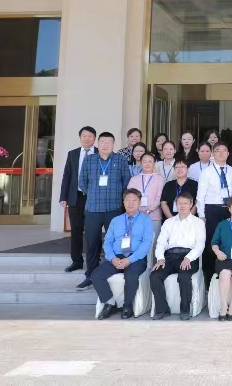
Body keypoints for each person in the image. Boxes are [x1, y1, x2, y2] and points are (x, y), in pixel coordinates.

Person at [77, 132, 131, 291]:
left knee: (115, 243)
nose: (105, 145)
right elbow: (82, 182)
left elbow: (126, 181)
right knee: (92, 243)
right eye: (102, 142)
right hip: (93, 208)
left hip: (113, 209)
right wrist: (93, 194)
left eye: (109, 142)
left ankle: (111, 274)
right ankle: (90, 276)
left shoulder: (120, 160)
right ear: (98, 143)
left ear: (113, 144)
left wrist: (116, 195)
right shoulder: (90, 159)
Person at [92, 188, 153, 320]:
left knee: (130, 275)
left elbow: (146, 244)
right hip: (117, 257)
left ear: (139, 202)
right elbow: (107, 242)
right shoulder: (116, 220)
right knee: (96, 275)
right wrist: (112, 258)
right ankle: (109, 303)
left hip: (136, 258)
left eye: (134, 200)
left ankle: (127, 306)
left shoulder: (146, 220)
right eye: (127, 200)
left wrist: (130, 260)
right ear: (123, 202)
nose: (130, 203)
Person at [150, 191, 206, 321]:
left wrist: (188, 258)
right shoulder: (168, 222)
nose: (182, 206)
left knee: (184, 276)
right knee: (155, 275)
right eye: (180, 203)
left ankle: (185, 310)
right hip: (169, 257)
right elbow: (161, 243)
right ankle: (162, 309)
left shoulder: (198, 223)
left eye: (185, 203)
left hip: (189, 256)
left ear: (191, 205)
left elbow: (200, 245)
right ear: (176, 204)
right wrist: (160, 259)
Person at [197, 142, 232, 284]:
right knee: (212, 242)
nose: (221, 153)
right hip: (212, 209)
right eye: (218, 150)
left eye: (224, 150)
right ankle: (209, 278)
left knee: (229, 241)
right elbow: (200, 196)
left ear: (228, 153)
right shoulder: (206, 172)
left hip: (229, 209)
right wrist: (202, 215)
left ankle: (227, 273)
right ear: (213, 154)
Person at [59, 126, 96, 274]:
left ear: (94, 138)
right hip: (76, 197)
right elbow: (67, 176)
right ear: (80, 138)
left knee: (93, 231)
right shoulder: (73, 154)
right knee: (76, 230)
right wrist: (63, 197)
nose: (87, 139)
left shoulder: (99, 153)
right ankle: (76, 261)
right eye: (84, 136)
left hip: (94, 198)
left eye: (90, 136)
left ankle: (94, 261)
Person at [127, 152, 165, 257]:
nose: (147, 164)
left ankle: (152, 266)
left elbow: (159, 197)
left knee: (153, 244)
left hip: (154, 216)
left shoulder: (159, 178)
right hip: (136, 216)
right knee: (136, 243)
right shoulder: (134, 179)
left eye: (150, 161)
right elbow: (129, 196)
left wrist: (149, 209)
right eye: (144, 161)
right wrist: (137, 210)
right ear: (141, 163)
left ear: (154, 163)